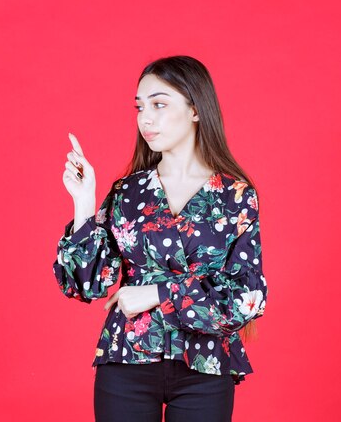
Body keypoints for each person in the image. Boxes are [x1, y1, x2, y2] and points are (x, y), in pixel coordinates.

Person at [52, 55, 268, 422]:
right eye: (140, 107)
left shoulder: (236, 195)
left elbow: (248, 299)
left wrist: (156, 293)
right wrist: (83, 201)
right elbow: (86, 284)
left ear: (196, 109)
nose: (145, 119)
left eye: (159, 104)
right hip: (126, 361)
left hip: (205, 367)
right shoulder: (128, 192)